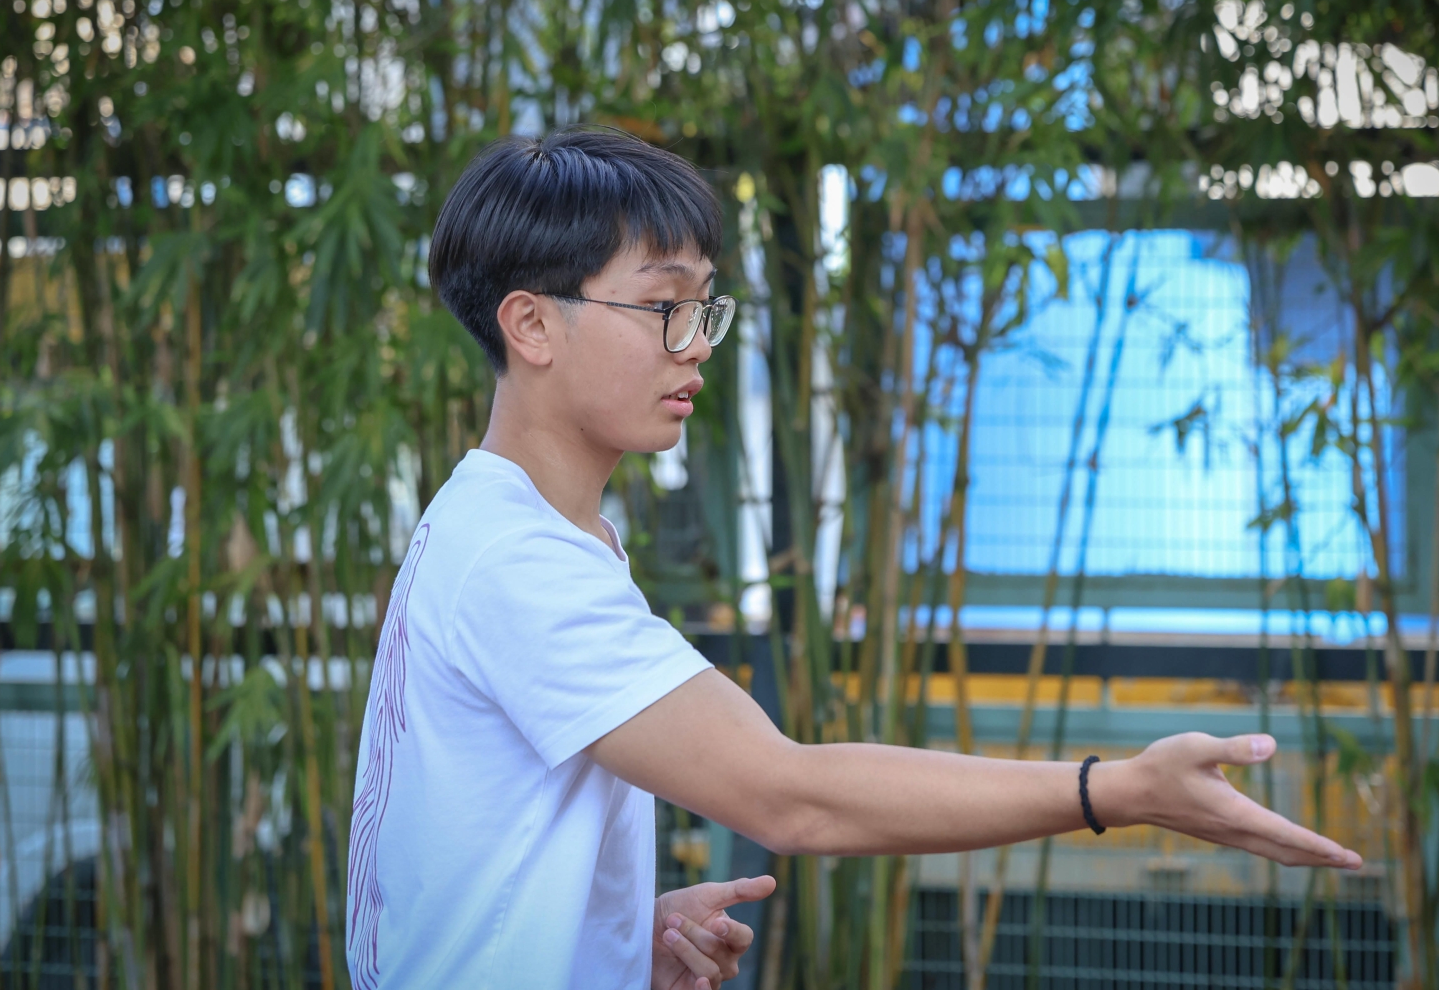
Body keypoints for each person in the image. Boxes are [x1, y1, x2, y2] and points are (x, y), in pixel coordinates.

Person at [344, 127, 1362, 990]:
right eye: (663, 308)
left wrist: (614, 936)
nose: (696, 344)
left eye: (705, 307)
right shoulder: (519, 561)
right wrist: (1116, 789)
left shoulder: (520, 526)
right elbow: (790, 793)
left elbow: (455, 858)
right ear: (531, 323)